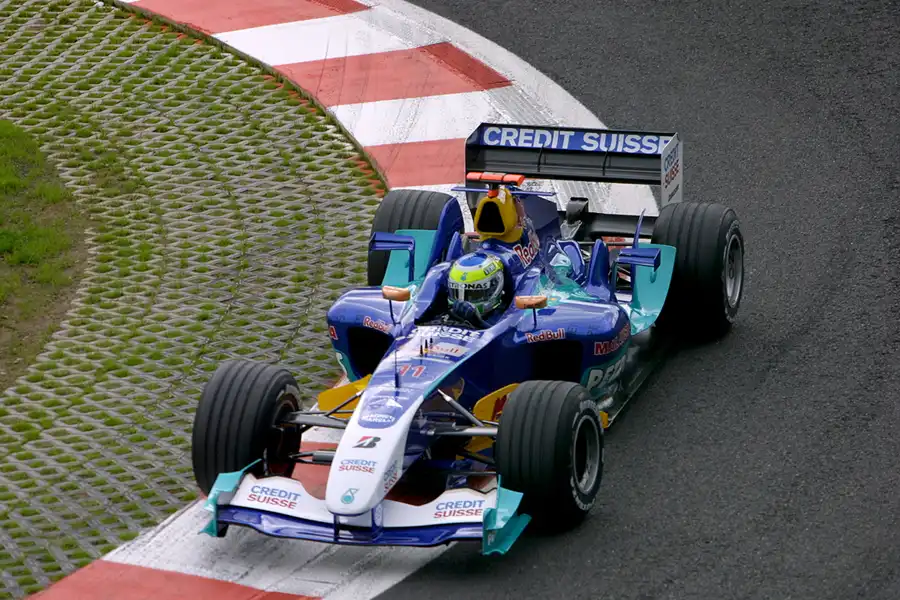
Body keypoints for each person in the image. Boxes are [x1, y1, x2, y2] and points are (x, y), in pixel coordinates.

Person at [445, 251, 506, 329]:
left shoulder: (504, 318)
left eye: (474, 294)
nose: (463, 304)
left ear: (494, 288)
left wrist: (478, 322)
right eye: (457, 292)